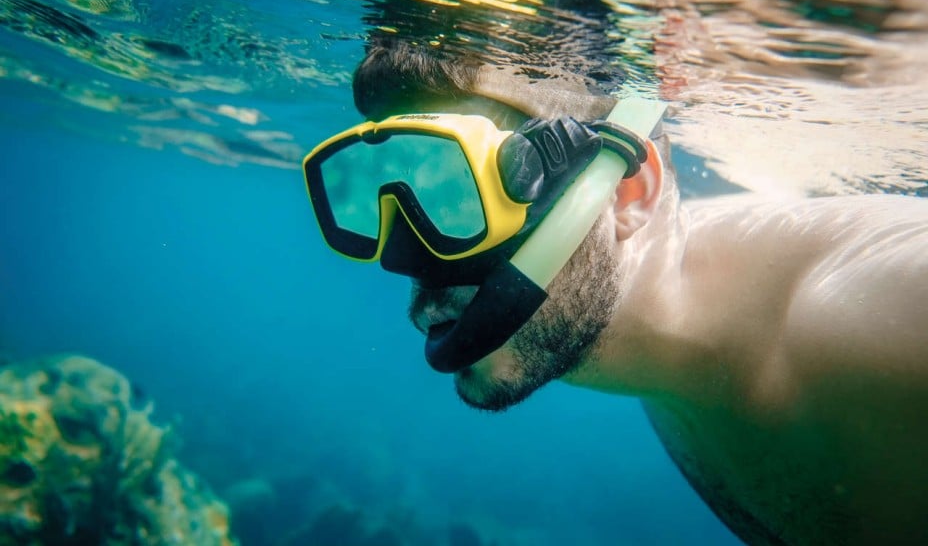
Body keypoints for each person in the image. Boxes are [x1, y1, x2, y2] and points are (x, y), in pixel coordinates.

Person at [303, 33, 928, 545]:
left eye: (459, 191)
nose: (405, 260)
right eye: (373, 194)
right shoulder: (649, 336)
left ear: (628, 192)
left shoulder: (882, 310)